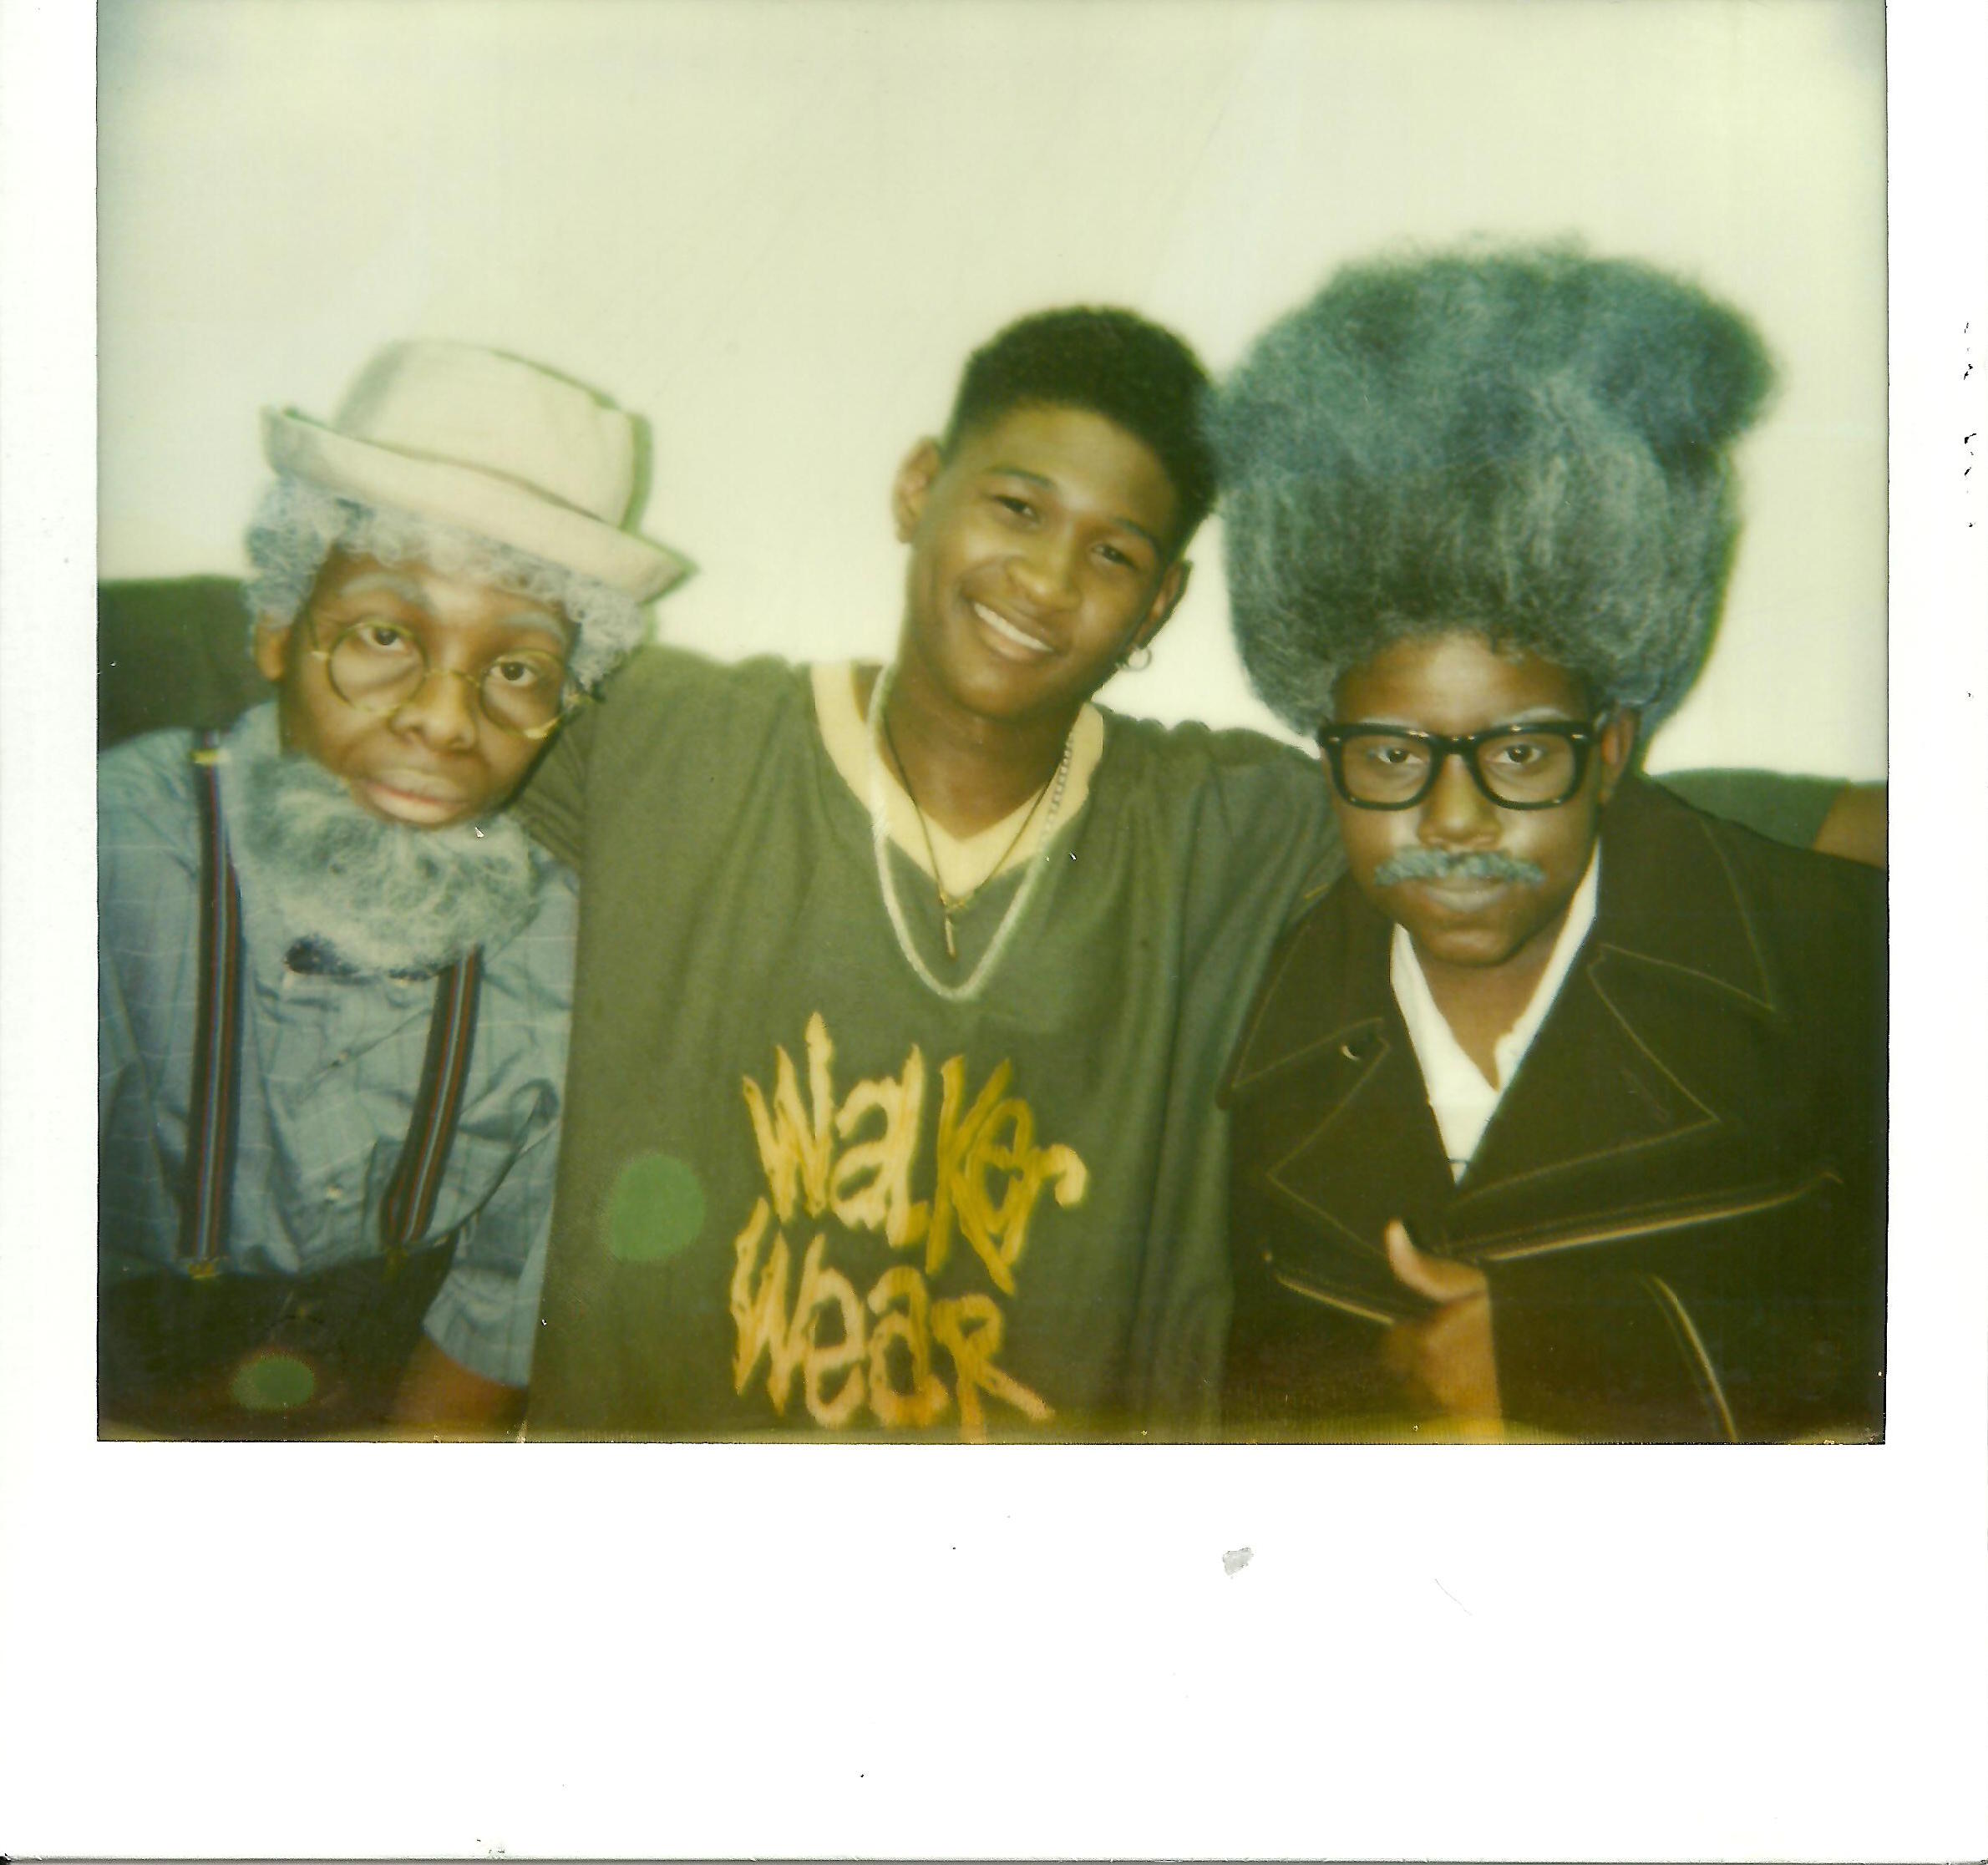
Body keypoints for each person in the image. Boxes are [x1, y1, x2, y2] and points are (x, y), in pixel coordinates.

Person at [512, 305, 1872, 1442]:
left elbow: (1562, 805)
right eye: (1016, 505)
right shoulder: (654, 734)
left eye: (1113, 552)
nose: (1046, 579)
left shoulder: (1229, 821)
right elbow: (398, 749)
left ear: (1159, 602)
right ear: (920, 487)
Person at [1208, 248, 1886, 1442]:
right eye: (1391, 755)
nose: (1454, 821)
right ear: (1328, 757)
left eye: (1520, 754)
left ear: (1612, 748)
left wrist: (1575, 1361)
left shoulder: (1845, 969)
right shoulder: (1272, 1046)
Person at [98, 340, 687, 1437]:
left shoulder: (555, 951)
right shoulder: (102, 864)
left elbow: (481, 1346)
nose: (445, 720)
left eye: (516, 668)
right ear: (278, 627)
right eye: (383, 635)